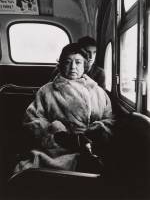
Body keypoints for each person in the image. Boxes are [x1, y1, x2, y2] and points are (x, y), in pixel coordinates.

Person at [14, 43, 114, 175]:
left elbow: (110, 119)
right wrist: (58, 134)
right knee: (30, 172)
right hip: (57, 150)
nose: (73, 67)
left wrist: (95, 131)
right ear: (61, 64)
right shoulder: (47, 90)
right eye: (68, 62)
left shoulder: (98, 91)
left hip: (93, 147)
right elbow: (32, 120)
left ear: (85, 65)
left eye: (78, 62)